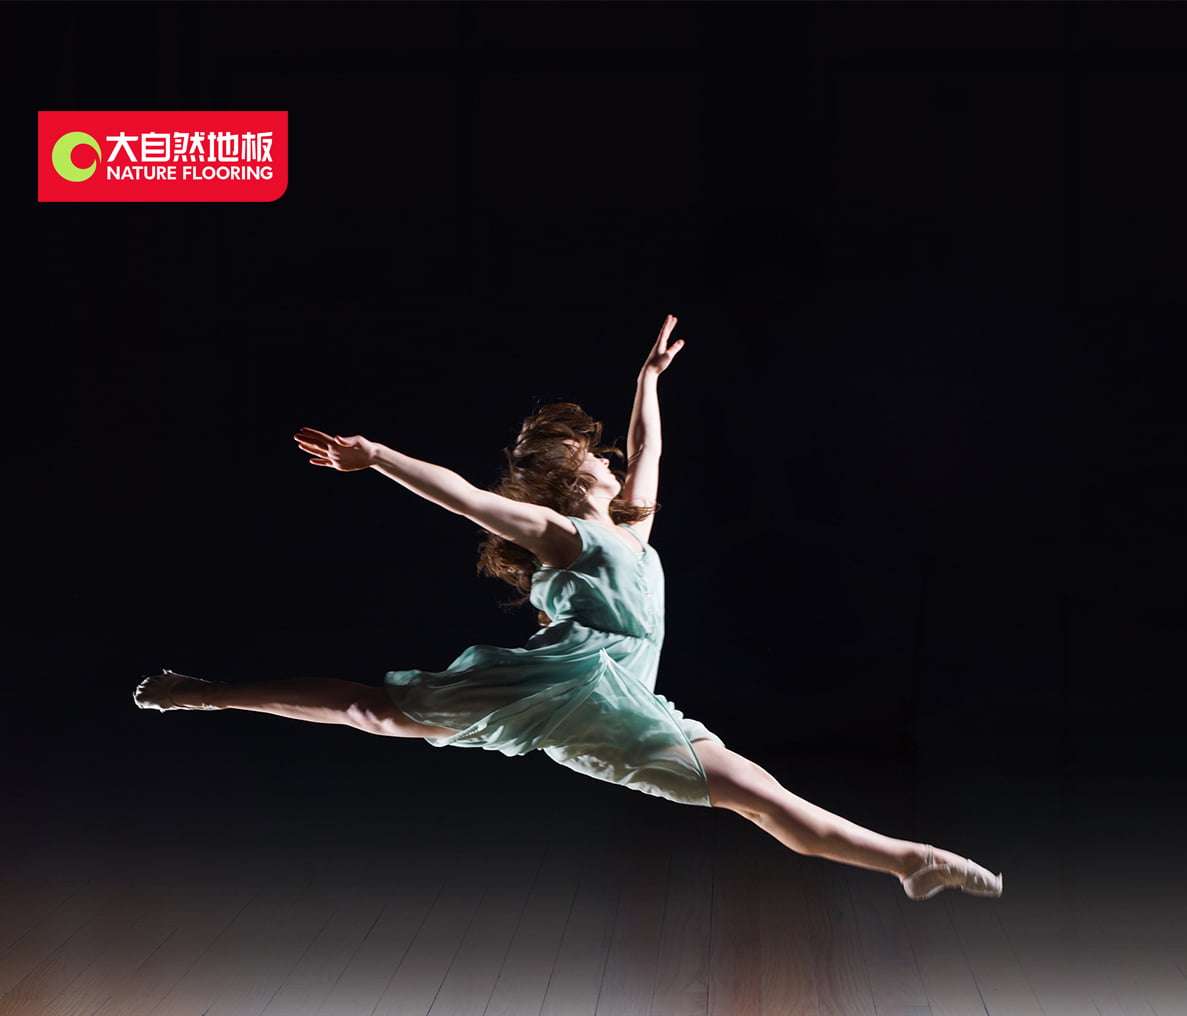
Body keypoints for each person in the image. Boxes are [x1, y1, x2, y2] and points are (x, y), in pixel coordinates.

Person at [134, 314, 1001, 902]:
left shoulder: (631, 528)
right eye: (600, 458)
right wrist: (377, 457)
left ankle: (909, 863)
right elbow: (466, 497)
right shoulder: (560, 533)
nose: (616, 463)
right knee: (375, 712)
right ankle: (203, 693)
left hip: (628, 700)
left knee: (763, 797)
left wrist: (647, 379)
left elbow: (651, 447)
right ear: (572, 477)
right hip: (570, 686)